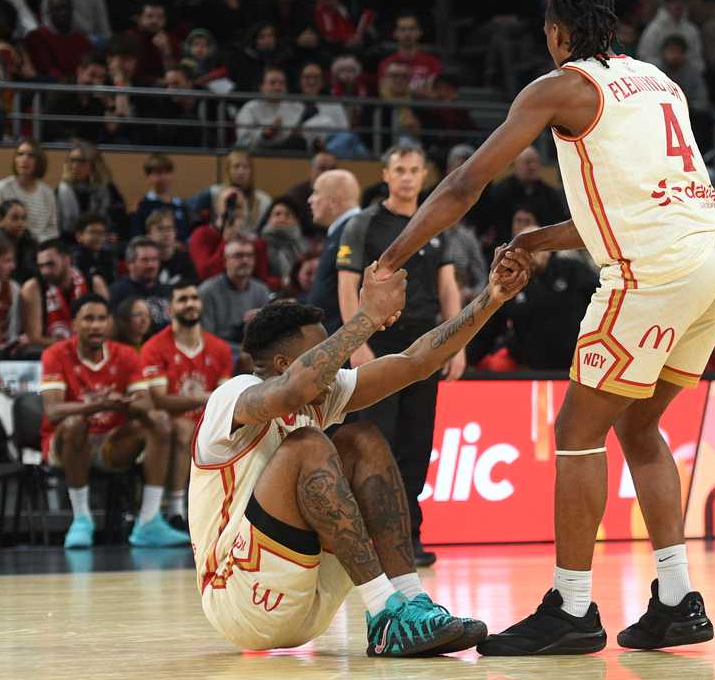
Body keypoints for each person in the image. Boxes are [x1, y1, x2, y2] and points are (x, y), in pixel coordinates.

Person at [368, 0, 715, 656]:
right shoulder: (659, 82)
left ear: (557, 33)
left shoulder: (559, 87)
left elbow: (464, 182)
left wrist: (391, 260)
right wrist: (535, 240)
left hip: (655, 271)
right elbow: (636, 204)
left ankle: (571, 607)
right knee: (640, 425)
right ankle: (678, 598)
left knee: (576, 430)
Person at [189, 248, 525, 655]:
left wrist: (492, 297)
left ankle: (406, 601)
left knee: (361, 438)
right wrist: (365, 318)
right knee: (309, 445)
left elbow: (416, 362)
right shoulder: (233, 395)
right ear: (281, 364)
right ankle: (383, 610)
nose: (335, 362)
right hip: (238, 597)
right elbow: (292, 390)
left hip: (306, 594)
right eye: (323, 353)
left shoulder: (323, 395)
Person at [336, 145, 465, 567]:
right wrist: (356, 343)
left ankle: (410, 538)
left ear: (425, 175)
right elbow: (347, 286)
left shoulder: (436, 222)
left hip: (425, 349)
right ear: (386, 175)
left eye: (414, 170)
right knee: (376, 443)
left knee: (417, 444)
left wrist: (456, 343)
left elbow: (448, 288)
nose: (407, 177)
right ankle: (372, 540)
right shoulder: (363, 223)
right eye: (400, 170)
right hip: (379, 344)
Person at [40, 292, 186, 550]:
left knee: (160, 421)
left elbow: (146, 403)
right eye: (88, 319)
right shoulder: (55, 354)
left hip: (110, 442)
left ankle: (149, 521)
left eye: (101, 319)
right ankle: (81, 519)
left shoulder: (126, 354)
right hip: (65, 445)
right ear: (74, 324)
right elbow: (52, 411)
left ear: (109, 323)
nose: (96, 325)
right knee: (75, 423)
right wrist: (100, 405)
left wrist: (126, 402)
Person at [138, 280, 235, 532]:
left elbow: (222, 400)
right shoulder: (154, 348)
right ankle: (176, 511)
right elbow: (159, 400)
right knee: (182, 428)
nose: (190, 304)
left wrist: (210, 399)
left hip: (209, 425)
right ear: (170, 308)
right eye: (182, 299)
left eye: (194, 298)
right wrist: (206, 397)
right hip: (170, 428)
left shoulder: (220, 348)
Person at [305, 168, 362, 332]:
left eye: (316, 193)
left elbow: (353, 288)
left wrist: (352, 336)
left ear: (333, 201)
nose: (310, 200)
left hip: (344, 339)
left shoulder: (352, 230)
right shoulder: (345, 230)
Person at [19, 238, 93, 353]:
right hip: (46, 353)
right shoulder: (33, 288)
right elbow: (34, 338)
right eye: (41, 266)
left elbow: (107, 329)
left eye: (50, 264)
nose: (45, 271)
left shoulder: (93, 283)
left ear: (67, 260)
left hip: (87, 353)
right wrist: (76, 345)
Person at [0, 139, 61, 244]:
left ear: (40, 161)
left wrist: (37, 245)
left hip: (37, 247)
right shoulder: (0, 188)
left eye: (31, 156)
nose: (24, 159)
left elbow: (52, 230)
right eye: (20, 154)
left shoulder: (47, 193)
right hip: (5, 246)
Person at [199, 237, 274, 344]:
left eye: (250, 255)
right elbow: (206, 338)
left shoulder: (261, 290)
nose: (245, 260)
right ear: (225, 261)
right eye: (238, 256)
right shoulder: (207, 291)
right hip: (221, 350)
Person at [108, 236, 173, 334]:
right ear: (130, 263)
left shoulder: (168, 290)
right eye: (145, 260)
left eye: (154, 259)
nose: (151, 265)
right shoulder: (117, 292)